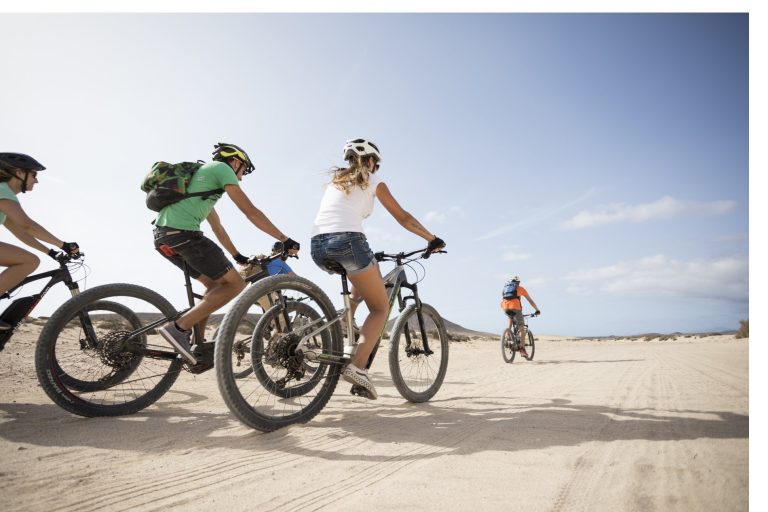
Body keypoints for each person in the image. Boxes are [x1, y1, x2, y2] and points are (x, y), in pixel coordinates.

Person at [310, 138, 445, 399]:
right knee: (380, 308)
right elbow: (403, 217)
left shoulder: (336, 181)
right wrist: (432, 239)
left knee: (363, 274)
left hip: (317, 245)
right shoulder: (372, 179)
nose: (376, 168)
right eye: (376, 164)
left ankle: (347, 319)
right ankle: (357, 367)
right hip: (349, 242)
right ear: (371, 161)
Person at [153, 142, 299, 364]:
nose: (241, 178)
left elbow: (218, 228)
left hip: (164, 237)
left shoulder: (200, 185)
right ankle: (178, 328)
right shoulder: (221, 168)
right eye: (243, 171)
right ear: (235, 161)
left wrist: (237, 256)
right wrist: (284, 239)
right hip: (184, 235)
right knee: (236, 285)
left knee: (214, 284)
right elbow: (250, 212)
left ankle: (196, 344)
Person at [0, 153, 80, 330]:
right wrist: (63, 244)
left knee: (30, 260)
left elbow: (20, 232)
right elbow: (28, 225)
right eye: (34, 174)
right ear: (19, 173)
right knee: (29, 261)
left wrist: (50, 251)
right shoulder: (3, 191)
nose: (36, 181)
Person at [500, 275, 540, 358]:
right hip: (515, 308)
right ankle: (522, 349)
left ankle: (507, 337)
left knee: (510, 320)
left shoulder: (505, 289)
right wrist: (537, 309)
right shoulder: (520, 288)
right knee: (521, 328)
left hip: (505, 308)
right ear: (518, 282)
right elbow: (530, 300)